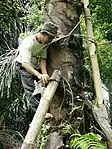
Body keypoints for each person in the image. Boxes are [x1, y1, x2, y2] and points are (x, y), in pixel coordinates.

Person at [15, 22, 58, 113]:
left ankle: (47, 109)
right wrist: (39, 75)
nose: (51, 40)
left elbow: (43, 59)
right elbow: (25, 64)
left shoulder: (44, 43)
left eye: (52, 38)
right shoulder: (28, 43)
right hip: (24, 66)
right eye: (50, 37)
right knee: (31, 88)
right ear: (43, 33)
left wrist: (44, 73)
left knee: (43, 84)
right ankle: (39, 112)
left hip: (35, 65)